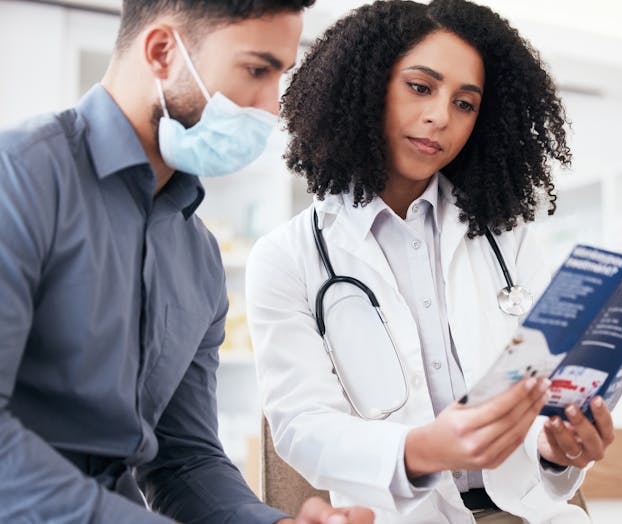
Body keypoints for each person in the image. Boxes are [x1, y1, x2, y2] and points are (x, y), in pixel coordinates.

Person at [0, 1, 373, 523]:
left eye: (280, 77)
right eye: (256, 70)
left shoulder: (197, 256)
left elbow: (184, 460)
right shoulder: (18, 179)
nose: (272, 107)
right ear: (161, 51)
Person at [245, 1, 616, 522]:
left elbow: (539, 392)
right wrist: (423, 449)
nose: (440, 116)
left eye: (465, 104)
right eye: (420, 87)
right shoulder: (288, 257)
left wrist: (557, 450)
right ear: (368, 86)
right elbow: (303, 426)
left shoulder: (506, 240)